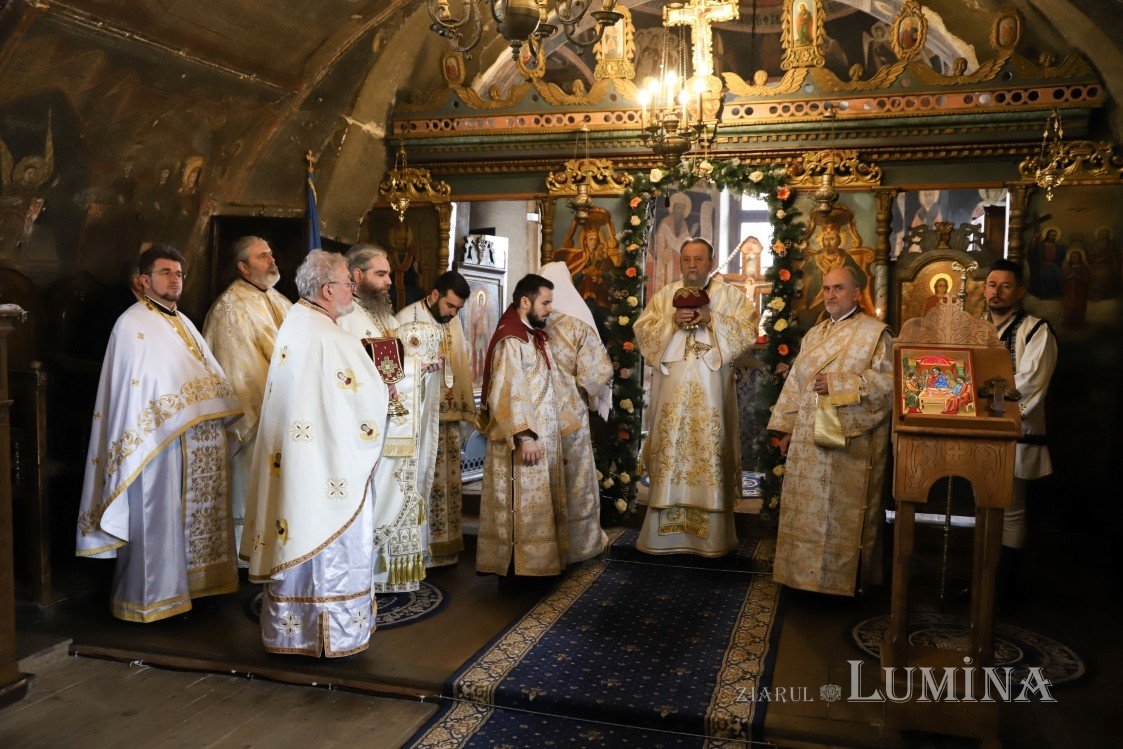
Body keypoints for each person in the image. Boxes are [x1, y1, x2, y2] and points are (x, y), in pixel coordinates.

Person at [76, 244, 242, 622]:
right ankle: (153, 599)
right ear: (144, 280)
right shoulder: (132, 324)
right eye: (166, 273)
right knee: (158, 519)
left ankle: (197, 588)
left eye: (179, 274)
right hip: (157, 445)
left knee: (196, 519)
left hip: (195, 439)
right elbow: (136, 391)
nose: (174, 280)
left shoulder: (183, 322)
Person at [241, 249, 389, 656]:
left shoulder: (296, 323)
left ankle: (295, 632)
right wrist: (385, 389)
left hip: (303, 467)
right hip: (328, 470)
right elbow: (366, 403)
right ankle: (329, 635)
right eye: (347, 283)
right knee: (330, 544)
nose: (352, 288)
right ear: (328, 290)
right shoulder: (331, 337)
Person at [767, 266, 893, 595]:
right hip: (808, 444)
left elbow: (888, 387)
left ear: (855, 293)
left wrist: (838, 384)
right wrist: (789, 427)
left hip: (848, 447)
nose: (830, 295)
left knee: (839, 518)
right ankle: (802, 580)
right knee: (808, 515)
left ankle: (841, 586)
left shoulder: (875, 334)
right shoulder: (815, 334)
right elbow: (796, 384)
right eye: (826, 288)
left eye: (838, 288)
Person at [633, 238, 758, 556]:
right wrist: (671, 322)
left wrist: (711, 319)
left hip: (710, 392)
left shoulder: (730, 297)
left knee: (708, 449)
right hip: (673, 392)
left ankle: (710, 538)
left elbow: (747, 331)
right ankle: (664, 535)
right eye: (686, 259)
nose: (692, 265)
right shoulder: (665, 297)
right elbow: (643, 330)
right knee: (671, 449)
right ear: (680, 263)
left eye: (698, 259)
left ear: (710, 260)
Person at [337, 243, 436, 592]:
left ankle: (386, 574)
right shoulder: (346, 317)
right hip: (364, 430)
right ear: (357, 275)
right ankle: (368, 573)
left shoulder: (383, 315)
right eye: (381, 274)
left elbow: (397, 358)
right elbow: (357, 370)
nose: (389, 282)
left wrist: (421, 367)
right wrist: (414, 367)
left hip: (389, 425)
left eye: (390, 275)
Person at [202, 236, 292, 556]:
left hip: (284, 413)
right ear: (243, 267)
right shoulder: (229, 307)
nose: (271, 259)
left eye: (270, 253)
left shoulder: (279, 299)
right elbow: (235, 368)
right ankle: (246, 553)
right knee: (249, 486)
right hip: (256, 416)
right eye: (261, 256)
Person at [477, 274, 569, 580]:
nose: (549, 309)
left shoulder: (531, 336)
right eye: (545, 302)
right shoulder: (511, 339)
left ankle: (537, 568)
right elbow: (508, 389)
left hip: (540, 440)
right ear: (525, 302)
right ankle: (519, 573)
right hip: (521, 443)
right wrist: (526, 435)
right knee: (519, 506)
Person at [983, 258, 1058, 612]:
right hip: (976, 434)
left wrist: (985, 405)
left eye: (1005, 286)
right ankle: (983, 586)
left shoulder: (1035, 330)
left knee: (1010, 510)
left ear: (1020, 291)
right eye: (990, 284)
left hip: (1015, 433)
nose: (996, 292)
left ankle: (1005, 589)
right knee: (984, 507)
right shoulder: (974, 328)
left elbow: (1029, 385)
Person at [397, 270, 476, 568]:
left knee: (447, 485)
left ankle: (445, 549)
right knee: (422, 481)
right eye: (450, 306)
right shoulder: (406, 320)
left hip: (449, 419)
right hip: (418, 423)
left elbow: (461, 361)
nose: (453, 313)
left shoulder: (452, 322)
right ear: (434, 296)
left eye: (458, 309)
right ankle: (419, 550)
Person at [539, 261, 612, 563]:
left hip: (540, 413)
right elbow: (596, 375)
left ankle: (545, 546)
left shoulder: (531, 321)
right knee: (576, 477)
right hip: (571, 415)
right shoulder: (579, 324)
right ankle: (580, 544)